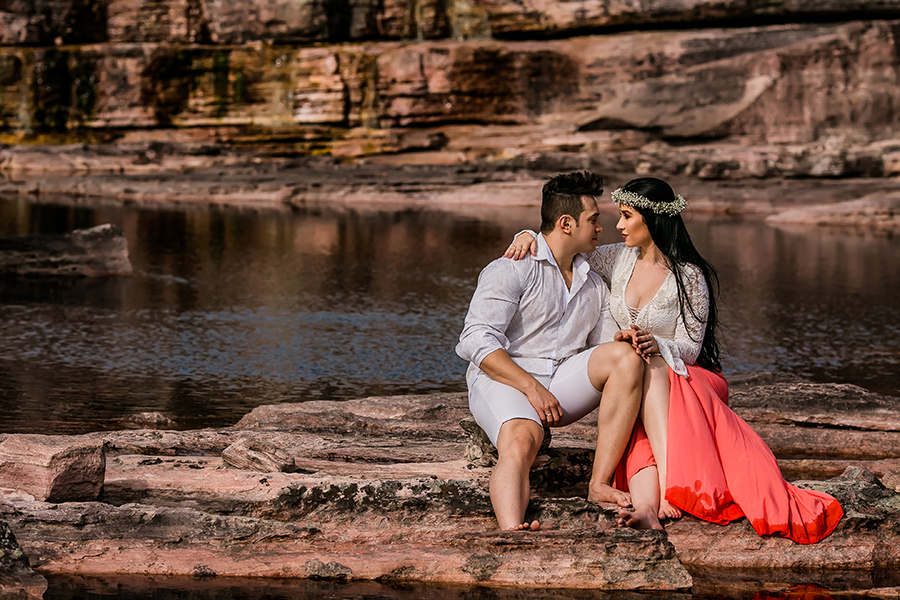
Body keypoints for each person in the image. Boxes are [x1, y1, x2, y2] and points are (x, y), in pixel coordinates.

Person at [504, 176, 843, 543]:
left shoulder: (689, 276)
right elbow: (562, 245)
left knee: (649, 365)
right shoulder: (614, 258)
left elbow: (692, 348)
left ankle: (669, 486)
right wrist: (528, 234)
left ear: (652, 219)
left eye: (627, 216)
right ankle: (647, 510)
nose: (618, 226)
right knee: (636, 409)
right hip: (637, 379)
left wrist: (657, 344)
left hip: (687, 378)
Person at [456, 171, 647, 532]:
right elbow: (476, 341)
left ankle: (598, 483)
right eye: (593, 220)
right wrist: (532, 388)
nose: (600, 228)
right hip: (505, 380)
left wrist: (629, 338)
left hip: (561, 383)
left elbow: (603, 347)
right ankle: (513, 532)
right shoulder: (511, 268)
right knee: (520, 441)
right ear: (566, 223)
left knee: (625, 357)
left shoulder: (594, 283)